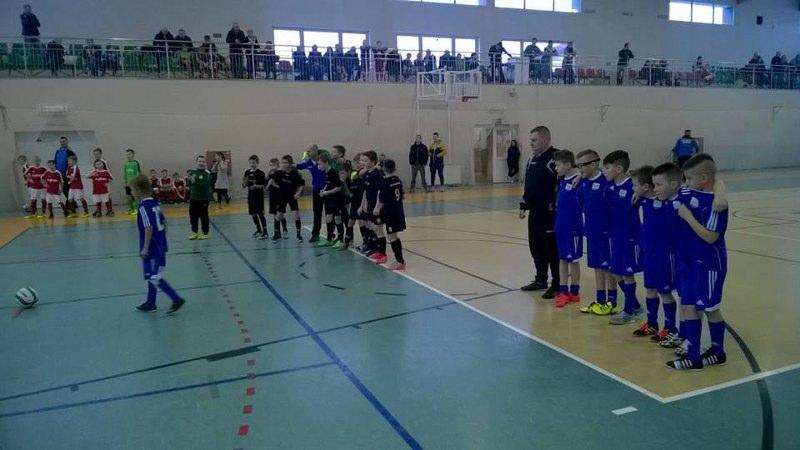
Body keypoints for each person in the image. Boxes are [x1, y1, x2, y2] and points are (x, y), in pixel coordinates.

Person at [667, 154, 728, 370]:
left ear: (703, 179)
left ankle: (718, 352)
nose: (686, 183)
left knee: (710, 308)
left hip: (708, 264)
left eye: (689, 178)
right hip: (687, 261)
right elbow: (671, 190)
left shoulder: (716, 205)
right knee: (688, 304)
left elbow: (711, 237)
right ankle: (694, 356)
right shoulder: (687, 192)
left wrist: (688, 217)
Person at [629, 165, 675, 337]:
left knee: (665, 291)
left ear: (645, 187)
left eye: (635, 185)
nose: (632, 188)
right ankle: (652, 323)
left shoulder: (667, 202)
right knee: (650, 288)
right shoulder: (643, 200)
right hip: (649, 253)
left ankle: (670, 327)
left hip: (664, 254)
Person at [130, 174, 186, 314]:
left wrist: (145, 248)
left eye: (133, 189)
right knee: (154, 275)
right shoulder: (155, 203)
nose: (132, 192)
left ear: (140, 191)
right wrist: (162, 239)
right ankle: (151, 303)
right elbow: (164, 222)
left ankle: (176, 299)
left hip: (152, 248)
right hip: (160, 245)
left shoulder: (143, 206)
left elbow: (148, 227)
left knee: (153, 276)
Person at [519, 126, 560, 299]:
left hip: (550, 214)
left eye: (534, 140)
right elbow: (529, 184)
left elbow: (567, 179)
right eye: (531, 140)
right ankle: (541, 279)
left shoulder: (556, 158)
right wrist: (524, 204)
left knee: (551, 250)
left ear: (545, 140)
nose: (531, 143)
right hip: (535, 212)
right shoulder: (532, 159)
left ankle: (557, 284)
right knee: (536, 247)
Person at [603, 150, 642, 325]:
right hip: (615, 235)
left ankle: (628, 311)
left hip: (630, 237)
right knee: (615, 271)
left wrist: (641, 192)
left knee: (627, 274)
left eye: (607, 168)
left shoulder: (632, 186)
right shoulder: (609, 186)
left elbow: (651, 190)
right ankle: (635, 304)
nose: (604, 171)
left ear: (618, 169)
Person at [574, 149, 616, 315]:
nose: (579, 169)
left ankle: (612, 301)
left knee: (608, 268)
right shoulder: (583, 183)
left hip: (606, 233)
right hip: (591, 232)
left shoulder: (607, 181)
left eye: (581, 165)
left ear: (593, 164)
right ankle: (600, 300)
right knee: (597, 266)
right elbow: (581, 203)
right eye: (577, 165)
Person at [648, 162, 683, 344]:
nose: (655, 189)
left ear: (674, 184)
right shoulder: (660, 201)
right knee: (661, 289)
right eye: (654, 184)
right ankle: (668, 327)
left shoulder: (683, 202)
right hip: (658, 254)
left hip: (675, 257)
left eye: (659, 185)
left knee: (674, 293)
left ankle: (676, 330)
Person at [552, 150, 583, 308]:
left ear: (568, 165)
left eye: (558, 165)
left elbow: (597, 174)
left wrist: (581, 175)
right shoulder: (562, 181)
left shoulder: (579, 181)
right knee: (562, 259)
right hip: (561, 227)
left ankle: (574, 291)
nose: (556, 168)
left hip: (574, 228)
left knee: (574, 261)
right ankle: (563, 291)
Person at [375, 159, 407, 270]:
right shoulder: (398, 180)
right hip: (399, 210)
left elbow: (382, 200)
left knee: (392, 236)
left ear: (383, 169)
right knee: (393, 235)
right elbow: (402, 196)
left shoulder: (384, 182)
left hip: (390, 212)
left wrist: (376, 209)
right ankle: (399, 260)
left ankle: (400, 261)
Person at [297, 145, 330, 242]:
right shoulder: (308, 163)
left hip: (328, 191)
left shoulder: (324, 161)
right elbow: (297, 166)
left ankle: (331, 235)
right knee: (317, 213)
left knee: (329, 213)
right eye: (307, 151)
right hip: (316, 191)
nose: (308, 153)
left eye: (310, 151)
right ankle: (315, 234)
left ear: (316, 151)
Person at [359, 151, 387, 261]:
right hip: (370, 205)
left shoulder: (377, 174)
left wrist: (377, 207)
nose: (363, 162)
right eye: (363, 160)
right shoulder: (367, 174)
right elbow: (366, 191)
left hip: (377, 207)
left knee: (378, 229)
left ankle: (382, 253)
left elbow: (381, 191)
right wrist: (363, 205)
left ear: (373, 161)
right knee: (372, 227)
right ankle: (375, 249)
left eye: (366, 161)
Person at [273, 155, 305, 242]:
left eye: (286, 163)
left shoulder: (295, 174)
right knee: (278, 215)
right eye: (283, 163)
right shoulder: (279, 173)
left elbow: (302, 183)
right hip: (281, 196)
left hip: (291, 196)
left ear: (290, 163)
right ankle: (276, 234)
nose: (284, 164)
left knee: (296, 215)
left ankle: (299, 235)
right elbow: (272, 180)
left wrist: (298, 193)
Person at [317, 154, 345, 247]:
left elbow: (338, 187)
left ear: (326, 163)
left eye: (320, 164)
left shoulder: (333, 173)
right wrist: (323, 190)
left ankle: (340, 240)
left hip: (336, 199)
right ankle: (329, 239)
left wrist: (326, 192)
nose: (319, 166)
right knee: (328, 218)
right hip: (328, 199)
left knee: (337, 218)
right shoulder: (326, 173)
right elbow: (328, 184)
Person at [187, 155, 212, 240]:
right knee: (193, 216)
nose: (201, 163)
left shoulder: (207, 173)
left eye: (203, 161)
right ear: (196, 162)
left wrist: (194, 182)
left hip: (204, 199)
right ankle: (195, 232)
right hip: (194, 198)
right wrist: (189, 181)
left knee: (203, 216)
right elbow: (189, 184)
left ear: (205, 163)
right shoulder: (192, 172)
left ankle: (205, 233)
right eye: (199, 161)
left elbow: (204, 186)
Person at [243, 155, 268, 238]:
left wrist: (256, 186)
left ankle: (265, 232)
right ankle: (259, 230)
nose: (252, 164)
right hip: (251, 196)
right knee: (253, 214)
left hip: (259, 197)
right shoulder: (247, 172)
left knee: (260, 214)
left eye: (253, 162)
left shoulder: (261, 173)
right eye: (250, 163)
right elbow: (244, 184)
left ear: (257, 163)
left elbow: (264, 185)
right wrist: (244, 183)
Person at [266, 158, 287, 238]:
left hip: (280, 196)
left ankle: (282, 230)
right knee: (275, 214)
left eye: (273, 165)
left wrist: (275, 185)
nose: (271, 167)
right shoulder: (270, 174)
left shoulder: (281, 173)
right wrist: (267, 184)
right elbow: (266, 184)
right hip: (272, 196)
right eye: (270, 165)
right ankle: (278, 232)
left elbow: (284, 186)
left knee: (280, 214)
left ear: (277, 165)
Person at [123, 149, 141, 215]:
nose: (128, 156)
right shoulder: (126, 164)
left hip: (133, 184)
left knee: (135, 196)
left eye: (129, 154)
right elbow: (125, 174)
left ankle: (137, 209)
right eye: (127, 154)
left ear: (133, 155)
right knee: (128, 197)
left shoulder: (135, 163)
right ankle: (132, 209)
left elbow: (137, 174)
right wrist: (125, 183)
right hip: (128, 184)